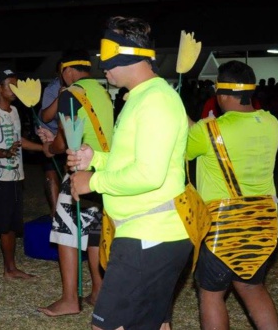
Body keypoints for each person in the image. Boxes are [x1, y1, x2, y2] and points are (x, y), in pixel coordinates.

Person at [67, 16, 192, 330]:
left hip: (149, 237)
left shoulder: (156, 101)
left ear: (128, 53)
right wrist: (96, 158)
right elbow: (132, 159)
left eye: (107, 54)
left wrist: (92, 181)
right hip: (149, 234)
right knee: (154, 324)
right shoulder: (140, 98)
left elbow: (149, 174)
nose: (101, 64)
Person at [186, 60, 278, 329]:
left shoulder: (208, 130)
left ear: (224, 95)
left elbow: (187, 147)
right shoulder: (271, 122)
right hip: (262, 223)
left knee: (211, 294)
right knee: (253, 288)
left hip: (223, 228)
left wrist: (192, 122)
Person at [37, 49, 114, 317]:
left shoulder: (71, 93)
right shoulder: (102, 92)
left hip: (80, 170)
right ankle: (98, 291)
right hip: (103, 170)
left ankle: (70, 298)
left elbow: (66, 137)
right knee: (94, 232)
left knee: (65, 234)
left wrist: (50, 147)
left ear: (67, 71)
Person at [0, 69, 44, 292]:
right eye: (11, 85)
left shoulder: (14, 110)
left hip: (15, 177)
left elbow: (20, 141)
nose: (15, 90)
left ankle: (10, 269)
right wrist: (4, 153)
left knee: (11, 228)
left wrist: (44, 148)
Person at [38, 60, 66, 216]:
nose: (65, 74)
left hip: (69, 137)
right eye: (62, 71)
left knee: (68, 172)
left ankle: (68, 210)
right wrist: (60, 97)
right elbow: (46, 117)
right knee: (51, 173)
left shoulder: (79, 87)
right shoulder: (51, 89)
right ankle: (55, 214)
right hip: (49, 136)